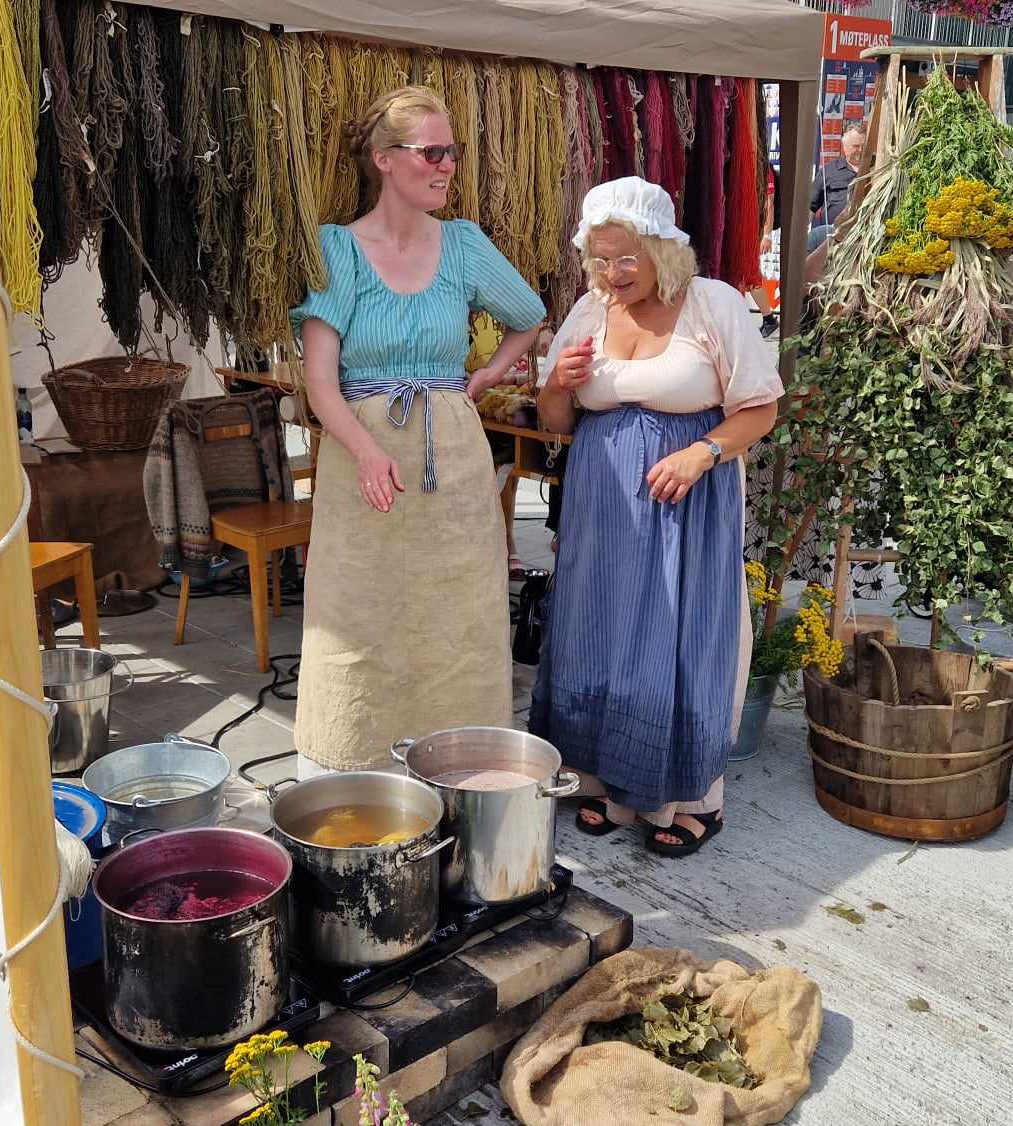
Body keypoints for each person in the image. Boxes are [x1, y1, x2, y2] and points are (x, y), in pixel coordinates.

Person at [289, 86, 546, 776]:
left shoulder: (463, 245)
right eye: (432, 151)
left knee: (457, 613)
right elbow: (320, 381)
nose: (447, 165)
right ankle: (353, 763)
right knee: (359, 611)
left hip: (451, 457)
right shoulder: (337, 250)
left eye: (451, 152)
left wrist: (487, 375)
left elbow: (529, 314)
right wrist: (369, 452)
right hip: (360, 455)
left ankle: (457, 760)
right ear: (384, 160)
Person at [530, 177, 785, 858]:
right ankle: (598, 781)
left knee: (677, 634)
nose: (612, 276)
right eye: (600, 260)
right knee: (596, 625)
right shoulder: (589, 311)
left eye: (626, 261)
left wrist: (702, 453)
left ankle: (688, 797)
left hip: (686, 505)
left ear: (662, 252)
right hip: (600, 503)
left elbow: (760, 408)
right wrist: (558, 384)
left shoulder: (712, 306)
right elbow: (555, 424)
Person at [809, 123, 867, 250]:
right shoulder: (828, 172)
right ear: (844, 147)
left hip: (866, 240)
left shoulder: (877, 167)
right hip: (833, 240)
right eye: (856, 146)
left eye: (864, 146)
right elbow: (810, 208)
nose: (861, 150)